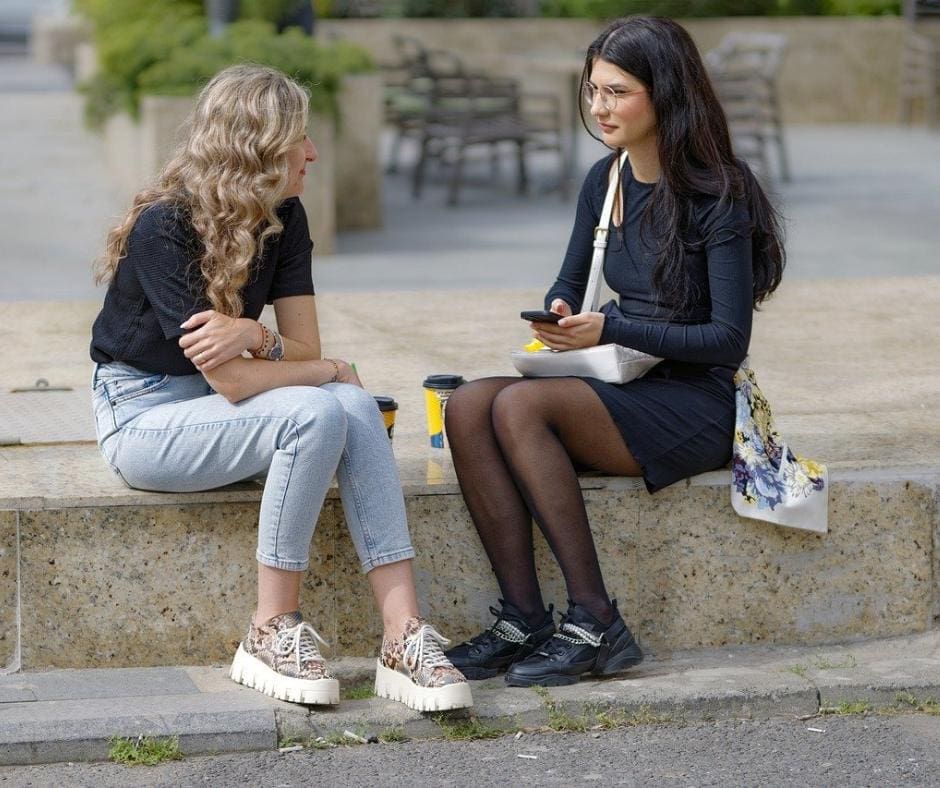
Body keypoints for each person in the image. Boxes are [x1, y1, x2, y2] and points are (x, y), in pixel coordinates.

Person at [89, 64, 471, 712]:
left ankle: (402, 635)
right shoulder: (167, 226)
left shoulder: (284, 217)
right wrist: (313, 369)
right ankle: (268, 629)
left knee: (350, 404)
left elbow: (296, 348)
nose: (314, 153)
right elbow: (242, 382)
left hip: (221, 408)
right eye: (302, 139)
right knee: (321, 410)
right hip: (144, 416)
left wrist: (252, 335)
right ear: (258, 150)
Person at [444, 16, 785, 687]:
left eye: (617, 91)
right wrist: (563, 315)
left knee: (519, 409)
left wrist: (614, 329)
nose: (598, 107)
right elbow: (569, 284)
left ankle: (595, 621)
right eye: (593, 90)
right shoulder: (605, 180)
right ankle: (522, 619)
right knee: (467, 404)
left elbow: (727, 339)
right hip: (623, 378)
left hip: (698, 401)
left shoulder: (720, 191)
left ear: (665, 94)